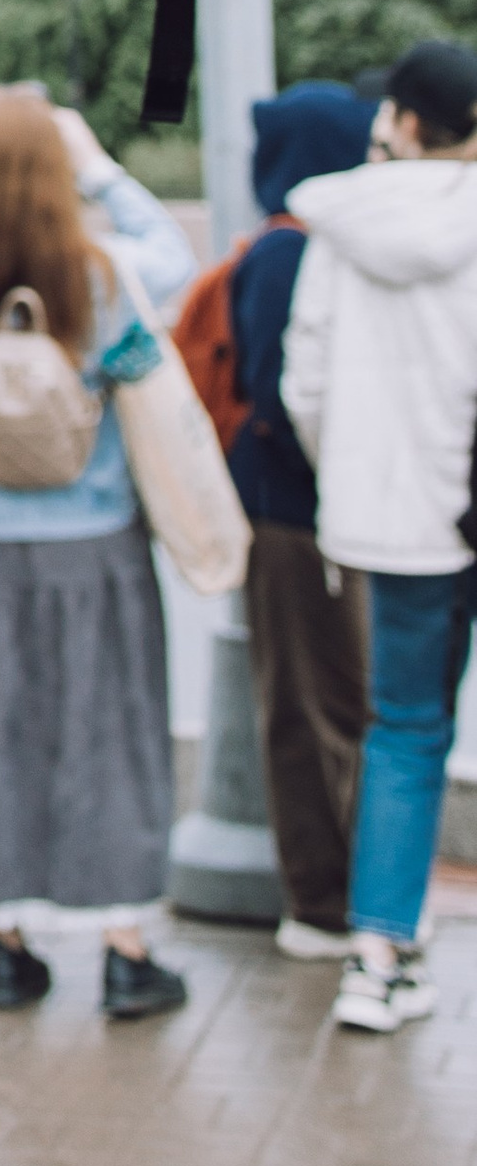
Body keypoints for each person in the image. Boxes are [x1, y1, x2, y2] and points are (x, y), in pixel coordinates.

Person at [0, 87, 196, 1024]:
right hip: (93, 543)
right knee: (110, 730)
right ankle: (126, 949)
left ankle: (8, 947)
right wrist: (99, 165)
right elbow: (174, 257)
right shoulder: (98, 277)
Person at [283, 35, 477, 1039]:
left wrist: (353, 483)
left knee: (402, 728)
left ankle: (375, 958)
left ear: (400, 119)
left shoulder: (339, 222)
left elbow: (305, 381)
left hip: (395, 526)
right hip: (464, 501)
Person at [225, 85, 377, 959]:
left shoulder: (304, 246)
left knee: (331, 700)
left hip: (309, 508)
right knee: (307, 706)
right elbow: (278, 399)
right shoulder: (287, 253)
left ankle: (343, 895)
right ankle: (319, 906)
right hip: (293, 515)